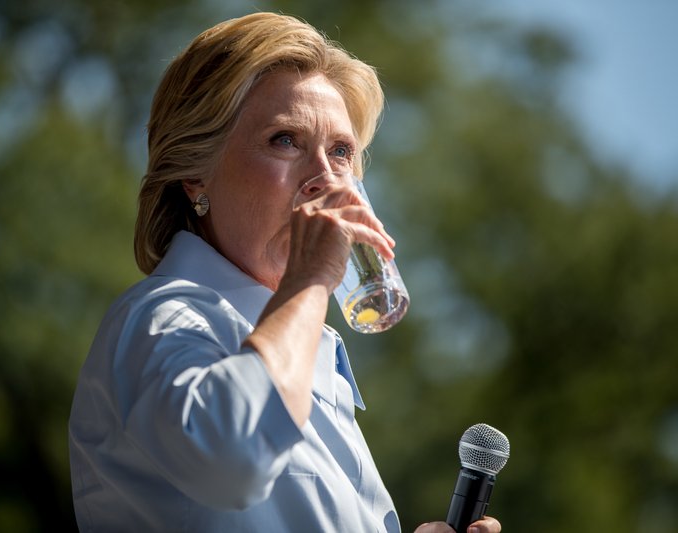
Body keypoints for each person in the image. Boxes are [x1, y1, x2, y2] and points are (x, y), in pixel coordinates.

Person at [68, 12, 501, 533]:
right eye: (285, 140)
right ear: (192, 171)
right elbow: (234, 459)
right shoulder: (160, 317)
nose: (325, 178)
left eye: (341, 152)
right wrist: (311, 278)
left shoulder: (312, 355)